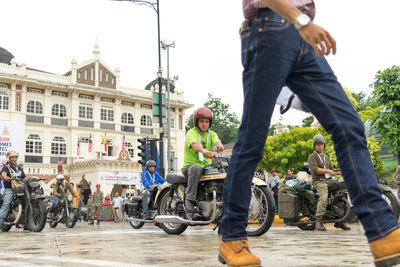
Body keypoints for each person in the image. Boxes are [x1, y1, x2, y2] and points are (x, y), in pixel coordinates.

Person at [218, 1, 400, 266]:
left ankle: (383, 231)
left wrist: (302, 24)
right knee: (251, 142)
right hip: (271, 28)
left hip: (303, 38)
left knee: (349, 126)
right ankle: (232, 239)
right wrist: (301, 21)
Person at [182, 107, 224, 214]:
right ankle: (189, 200)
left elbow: (217, 142)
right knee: (197, 168)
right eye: (201, 121)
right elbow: (195, 145)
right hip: (190, 167)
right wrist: (206, 152)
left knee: (222, 169)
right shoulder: (191, 133)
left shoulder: (212, 134)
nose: (204, 124)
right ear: (197, 122)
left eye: (206, 121)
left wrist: (220, 146)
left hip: (206, 168)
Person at [308, 134, 350, 231]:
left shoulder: (326, 157)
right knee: (324, 196)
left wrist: (339, 172)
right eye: (318, 144)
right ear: (314, 146)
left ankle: (339, 220)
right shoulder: (312, 156)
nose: (320, 146)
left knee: (341, 193)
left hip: (329, 180)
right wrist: (328, 171)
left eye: (321, 144)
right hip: (318, 181)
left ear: (324, 145)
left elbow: (331, 170)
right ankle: (318, 222)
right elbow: (315, 170)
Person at [0, 150, 25, 228]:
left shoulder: (19, 168)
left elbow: (24, 178)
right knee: (6, 203)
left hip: (20, 188)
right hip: (9, 188)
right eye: (12, 157)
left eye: (15, 157)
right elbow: (3, 174)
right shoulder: (6, 167)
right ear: (9, 158)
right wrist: (5, 177)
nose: (14, 159)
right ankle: (0, 220)